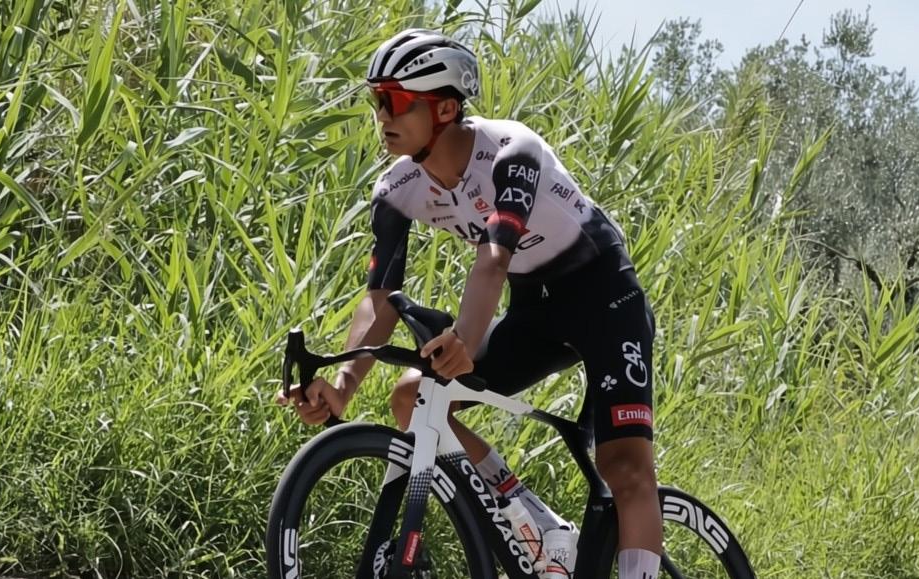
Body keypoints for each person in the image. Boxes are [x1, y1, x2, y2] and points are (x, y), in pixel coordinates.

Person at [277, 28, 663, 578]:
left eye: (396, 101)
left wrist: (463, 337)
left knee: (624, 468)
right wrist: (342, 386)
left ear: (445, 108)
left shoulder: (512, 151)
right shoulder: (397, 189)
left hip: (605, 297)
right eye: (377, 100)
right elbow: (380, 297)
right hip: (536, 310)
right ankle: (535, 526)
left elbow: (493, 261)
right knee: (413, 398)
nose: (382, 115)